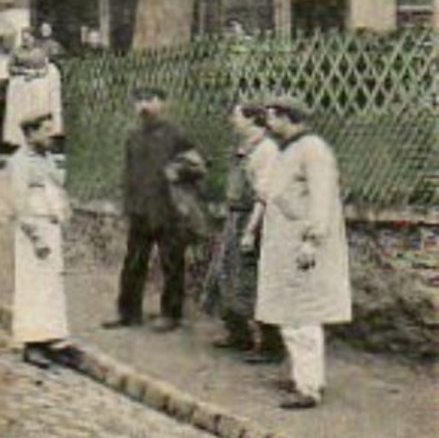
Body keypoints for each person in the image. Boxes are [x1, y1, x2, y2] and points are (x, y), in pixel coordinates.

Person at [255, 96, 352, 410]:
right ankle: (303, 375)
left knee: (303, 316)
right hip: (284, 245)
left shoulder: (313, 149)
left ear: (286, 117)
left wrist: (312, 239)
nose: (268, 123)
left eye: (271, 117)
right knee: (289, 313)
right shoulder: (290, 149)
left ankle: (309, 387)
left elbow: (322, 197)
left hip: (303, 248)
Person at [103, 85, 206, 332]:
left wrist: (178, 171)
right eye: (138, 101)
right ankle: (128, 313)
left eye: (149, 100)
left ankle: (171, 315)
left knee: (171, 263)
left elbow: (198, 167)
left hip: (168, 210)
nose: (143, 106)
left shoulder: (176, 135)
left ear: (163, 103)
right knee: (133, 263)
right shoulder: (133, 136)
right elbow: (128, 173)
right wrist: (126, 205)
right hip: (139, 209)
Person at [202, 102, 282, 358]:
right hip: (235, 217)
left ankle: (271, 345)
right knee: (224, 275)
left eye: (236, 116)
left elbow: (265, 194)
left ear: (251, 120)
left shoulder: (267, 150)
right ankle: (238, 334)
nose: (232, 121)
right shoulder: (242, 148)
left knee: (252, 279)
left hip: (254, 219)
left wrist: (250, 230)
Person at [7, 110, 78, 370]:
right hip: (33, 231)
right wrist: (36, 238)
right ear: (31, 132)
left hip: (51, 225)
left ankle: (52, 339)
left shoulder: (47, 160)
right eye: (46, 130)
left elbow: (56, 190)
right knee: (32, 287)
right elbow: (18, 205)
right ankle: (31, 342)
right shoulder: (19, 162)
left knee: (51, 286)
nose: (51, 135)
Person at [2, 28, 63, 148]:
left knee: (37, 112)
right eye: (23, 38)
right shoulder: (17, 52)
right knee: (21, 113)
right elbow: (10, 68)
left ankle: (37, 138)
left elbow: (45, 69)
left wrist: (36, 74)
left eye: (28, 37)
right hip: (21, 86)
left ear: (33, 38)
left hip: (37, 86)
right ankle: (19, 139)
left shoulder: (39, 52)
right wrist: (24, 72)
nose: (26, 40)